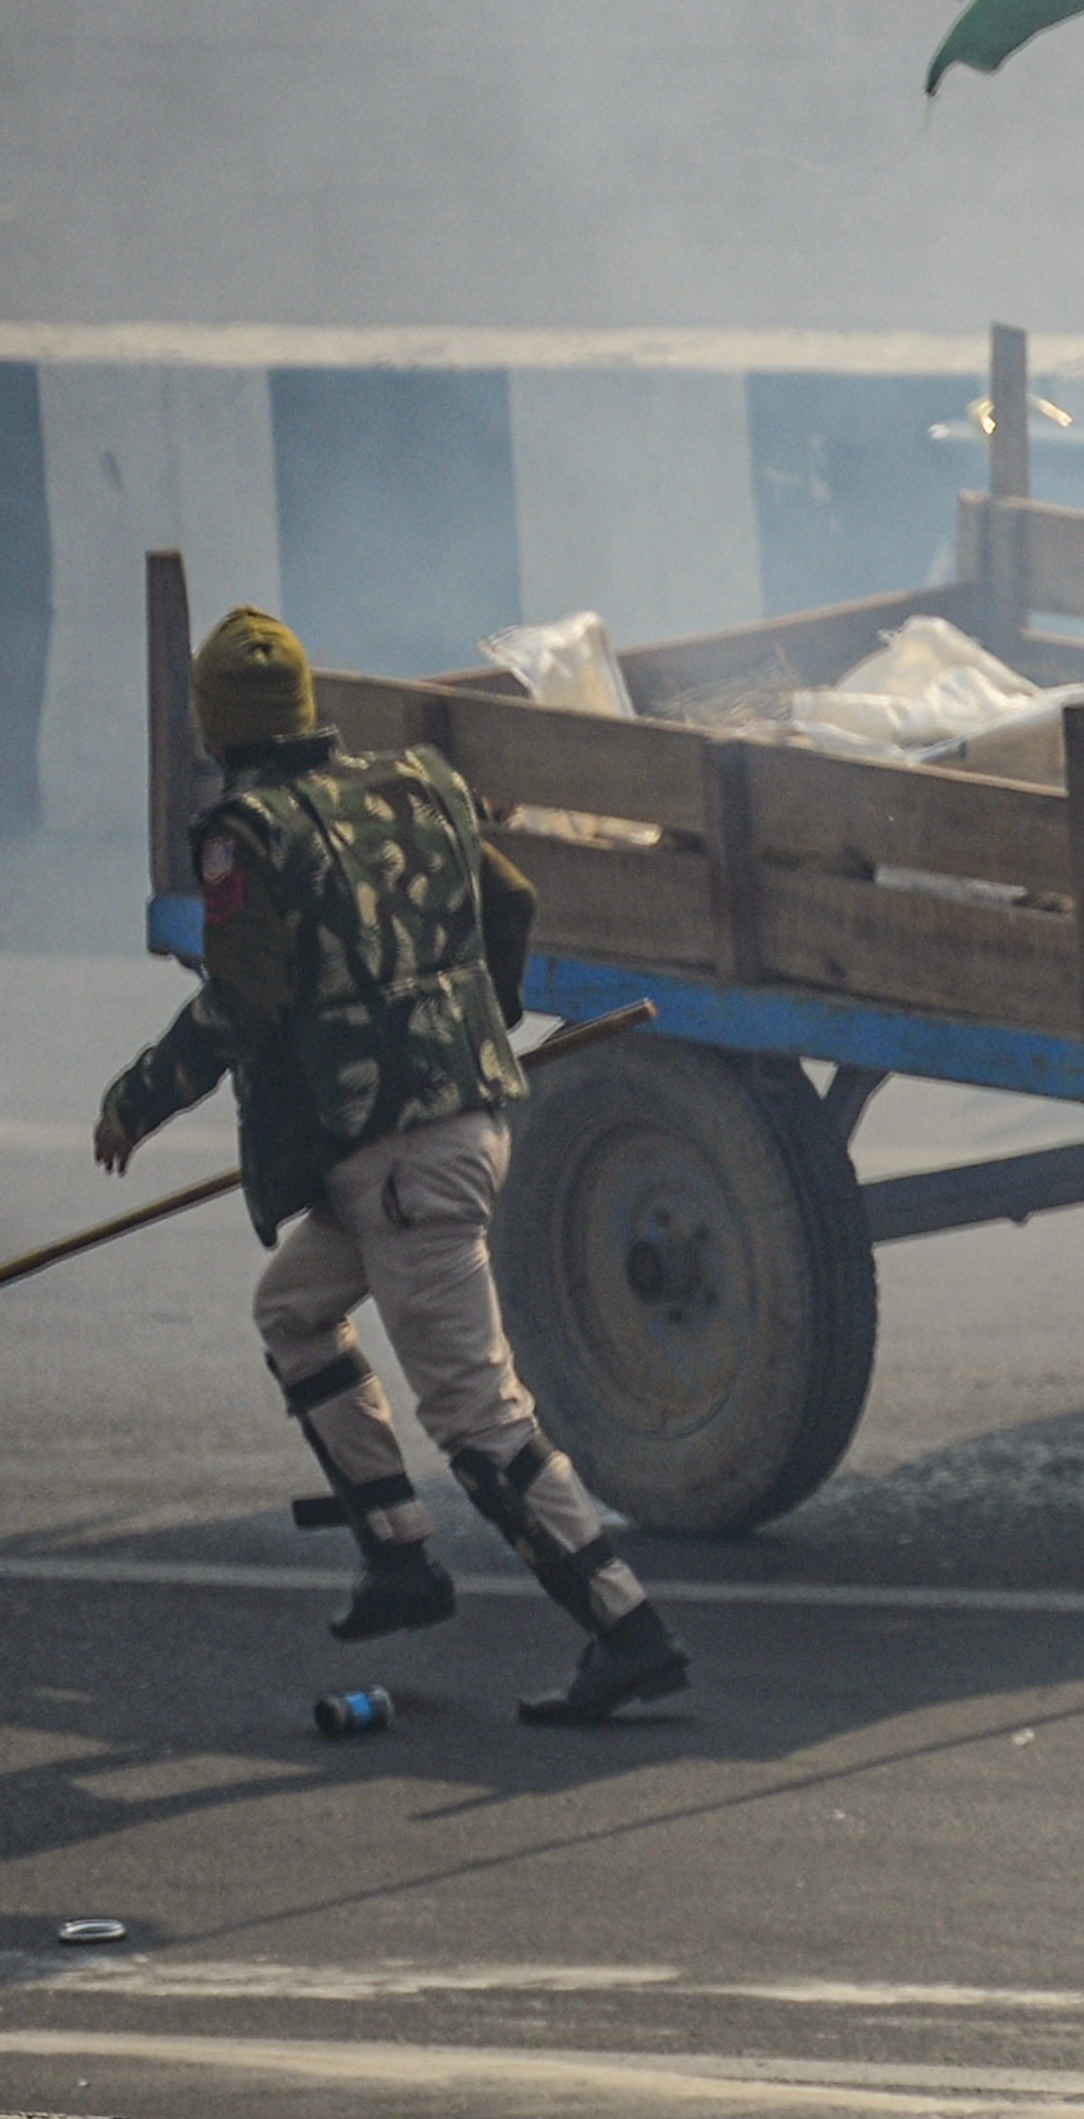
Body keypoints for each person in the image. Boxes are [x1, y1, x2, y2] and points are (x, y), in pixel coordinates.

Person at [94, 606, 692, 1726]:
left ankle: (628, 1629)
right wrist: (474, 1024)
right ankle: (398, 1552)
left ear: (221, 732)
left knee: (475, 1413)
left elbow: (243, 1000)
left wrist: (138, 1099)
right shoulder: (414, 787)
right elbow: (505, 903)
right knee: (295, 1309)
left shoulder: (247, 835)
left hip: (400, 1167)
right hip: (445, 1136)